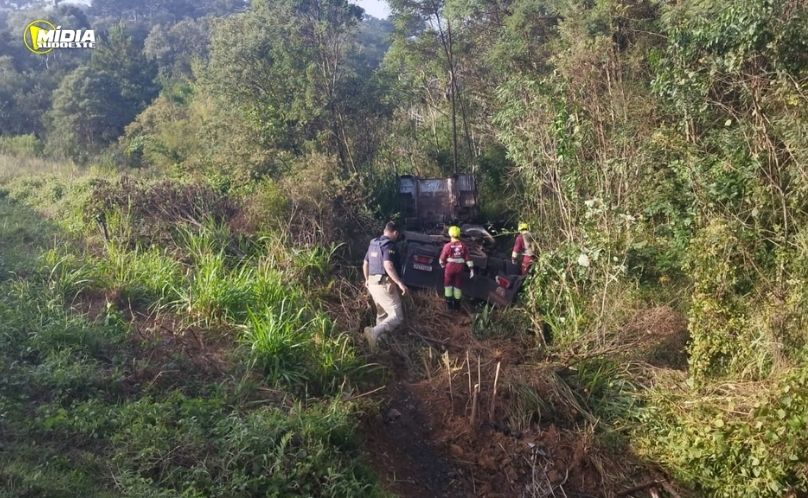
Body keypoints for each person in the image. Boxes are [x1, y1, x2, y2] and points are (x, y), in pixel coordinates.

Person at [362, 221, 408, 351]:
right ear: (395, 233)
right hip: (384, 284)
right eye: (396, 235)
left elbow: (365, 263)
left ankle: (378, 346)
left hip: (372, 284)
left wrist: (366, 280)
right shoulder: (389, 245)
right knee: (397, 317)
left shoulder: (373, 243)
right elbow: (388, 265)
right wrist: (399, 283)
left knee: (382, 315)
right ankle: (374, 332)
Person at [439, 225, 475, 310]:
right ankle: (457, 306)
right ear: (459, 234)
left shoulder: (447, 246)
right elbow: (468, 259)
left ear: (450, 234)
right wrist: (471, 270)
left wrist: (442, 265)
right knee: (458, 286)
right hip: (460, 268)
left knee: (447, 285)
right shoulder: (463, 246)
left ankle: (449, 306)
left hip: (449, 268)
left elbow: (442, 259)